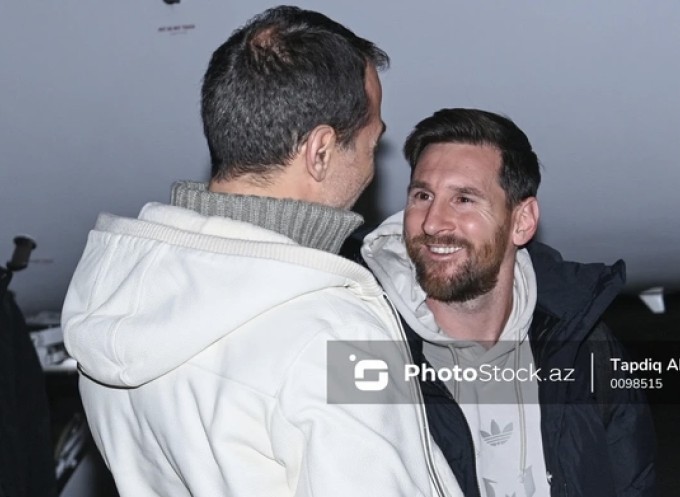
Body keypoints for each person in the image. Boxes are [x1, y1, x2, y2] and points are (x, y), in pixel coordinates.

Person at [61, 7, 461, 497]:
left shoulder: (116, 300)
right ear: (320, 152)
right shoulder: (334, 333)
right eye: (371, 143)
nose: (371, 166)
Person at [359, 108, 657, 497]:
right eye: (422, 195)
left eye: (463, 199)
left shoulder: (582, 342)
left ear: (522, 221)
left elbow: (633, 483)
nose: (432, 222)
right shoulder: (366, 343)